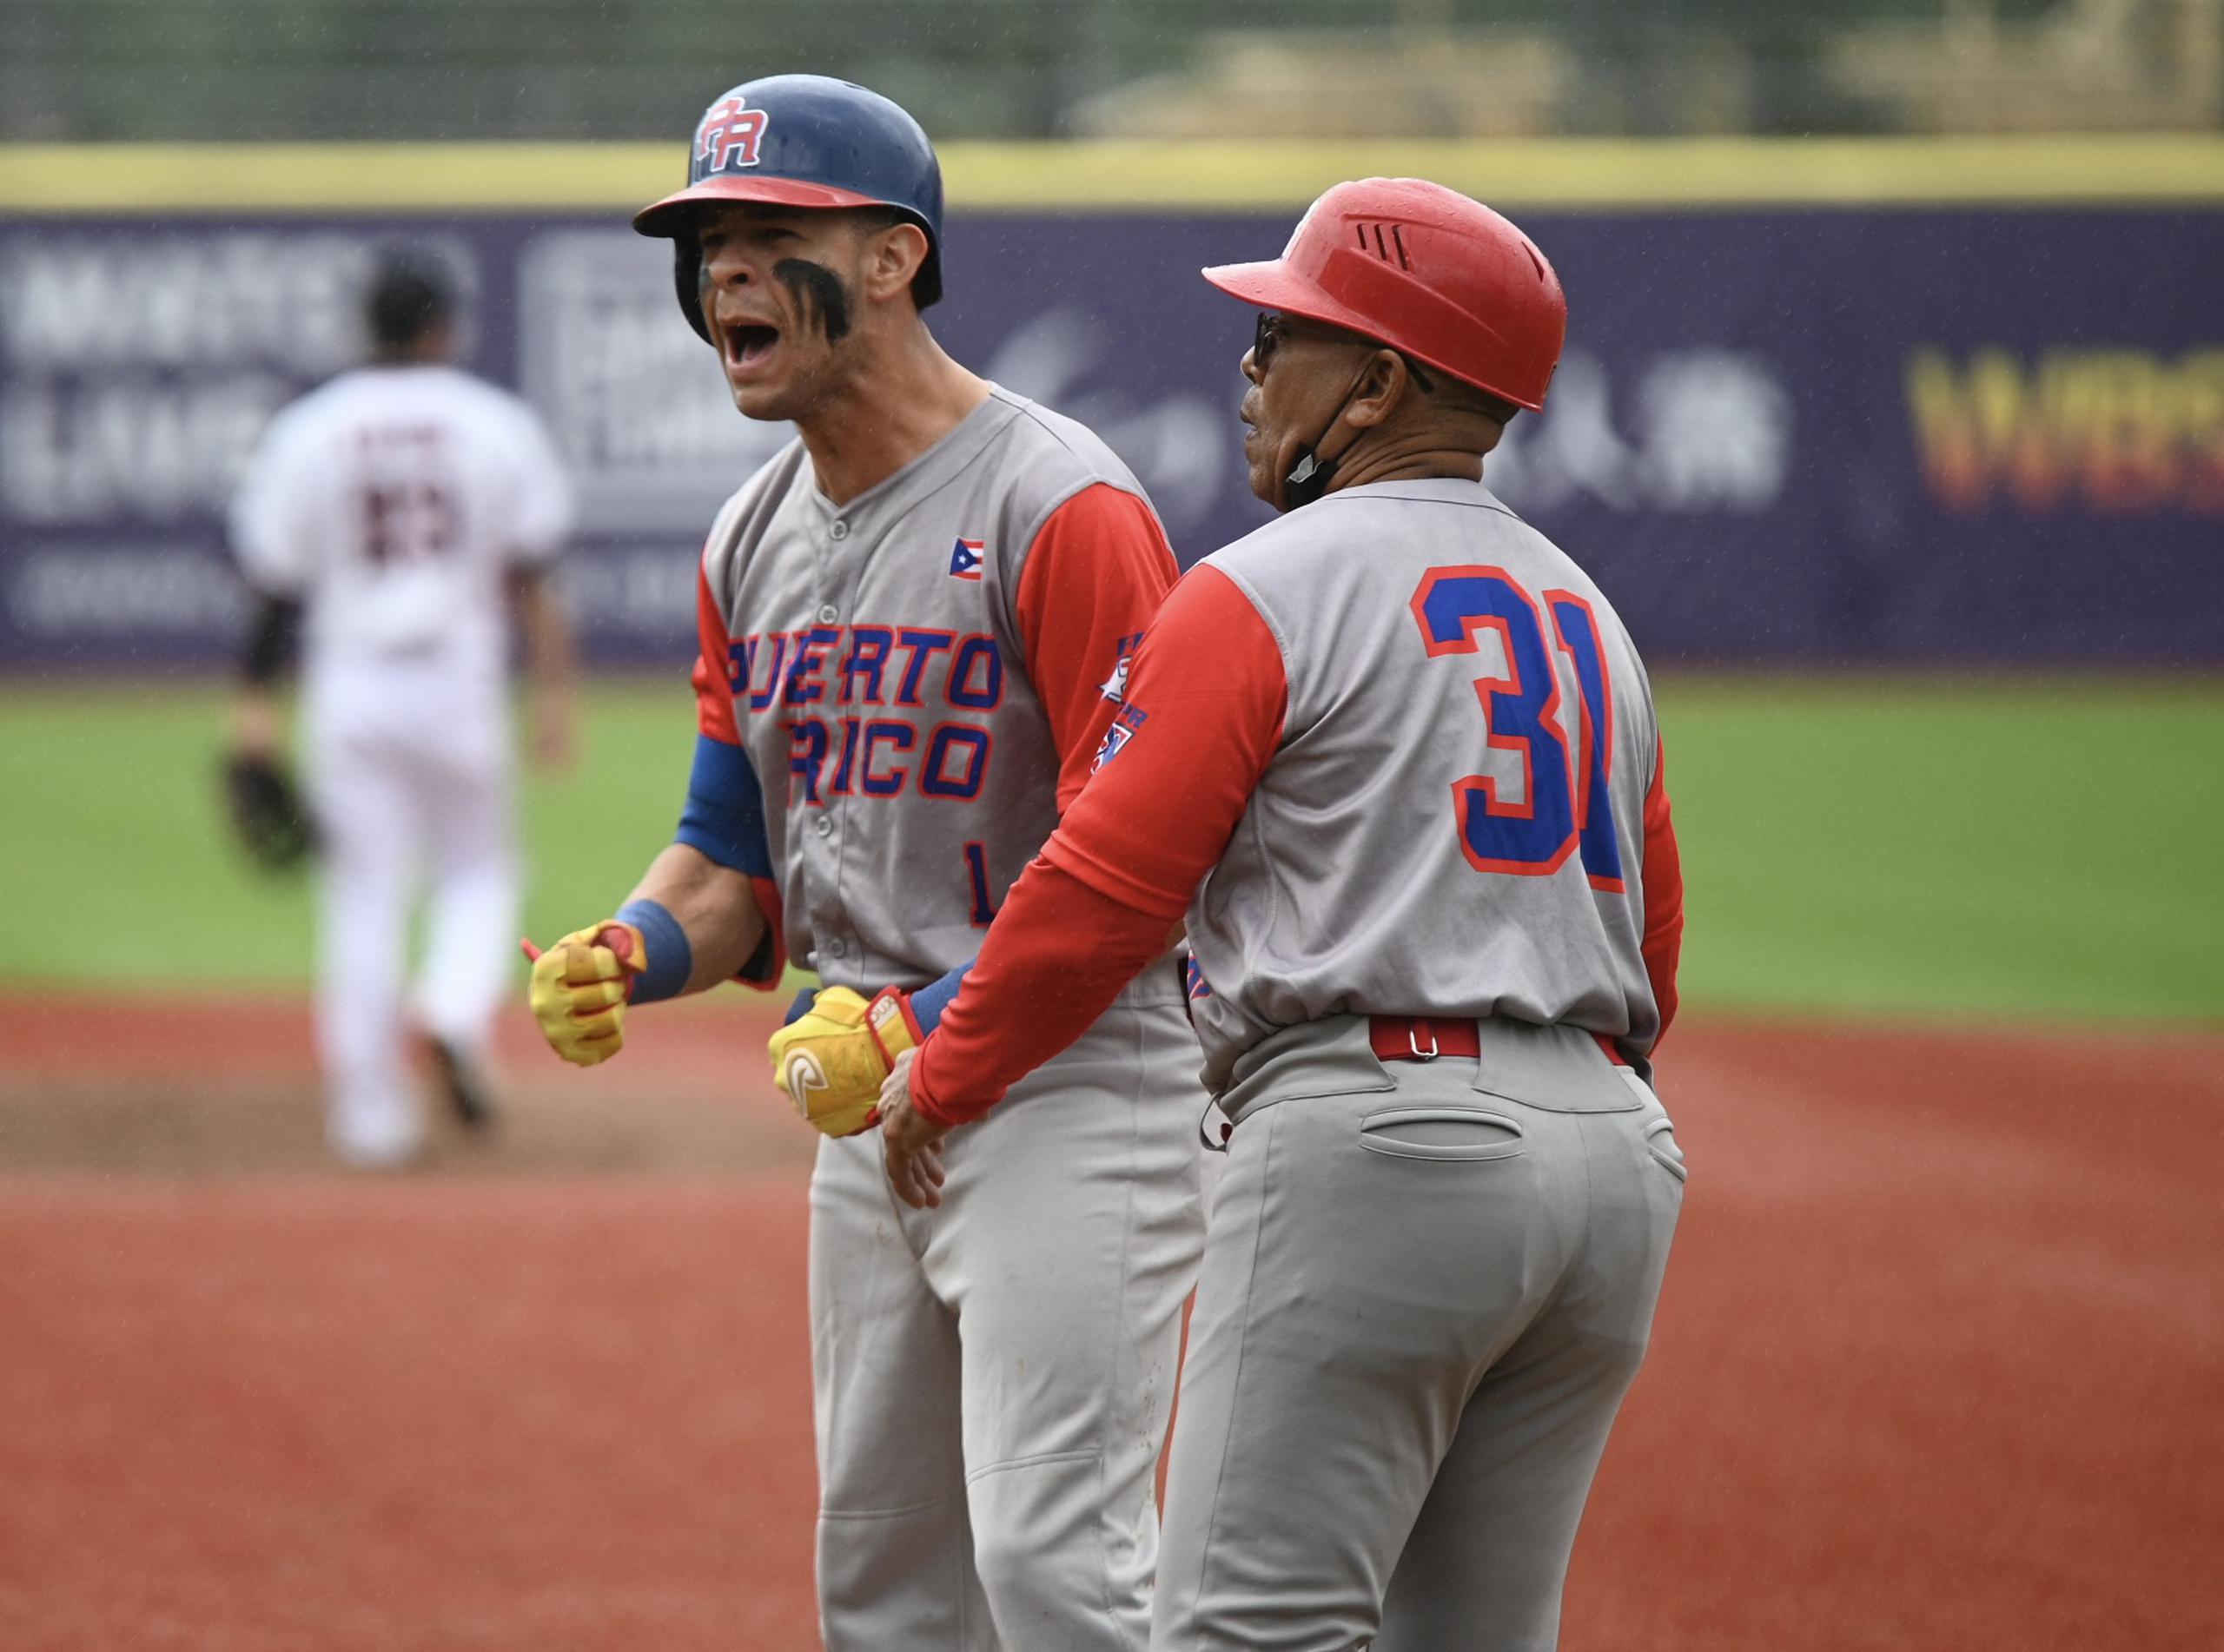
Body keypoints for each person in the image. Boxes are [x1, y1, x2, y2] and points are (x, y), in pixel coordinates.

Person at [877, 177, 1688, 1650]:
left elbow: (1104, 887)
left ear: (1378, 383)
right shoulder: (1591, 615)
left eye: (1282, 338)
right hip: (1615, 1171)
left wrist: (946, 1070)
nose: (1248, 372)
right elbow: (1656, 937)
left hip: (1385, 1142)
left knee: (1245, 1631)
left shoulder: (1265, 586)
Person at [522, 75, 1205, 1650]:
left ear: (894, 258)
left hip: (1072, 1089)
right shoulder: (745, 540)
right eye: (707, 245)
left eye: (770, 236)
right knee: (886, 1592)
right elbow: (731, 853)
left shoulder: (1061, 504)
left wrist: (918, 1021)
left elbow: (1141, 854)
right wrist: (629, 946)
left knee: (1060, 1564)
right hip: (866, 1099)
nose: (725, 278)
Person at [227, 254, 577, 1169]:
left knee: (363, 898)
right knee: (480, 870)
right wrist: (554, 701)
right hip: (458, 680)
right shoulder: (492, 423)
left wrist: (253, 716)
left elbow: (272, 590)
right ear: (441, 331)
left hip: (351, 684)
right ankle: (454, 1008)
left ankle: (369, 1120)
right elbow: (534, 580)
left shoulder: (310, 430)